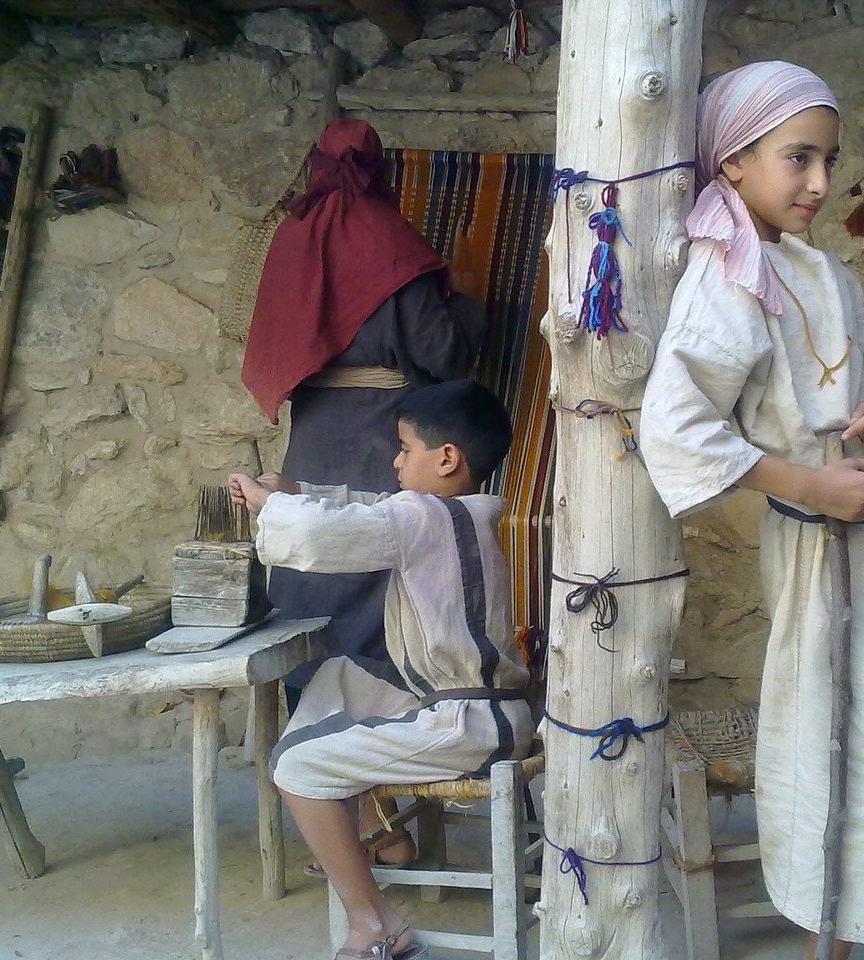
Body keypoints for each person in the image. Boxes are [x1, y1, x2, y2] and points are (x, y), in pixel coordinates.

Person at [640, 62, 864, 960]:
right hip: (825, 557)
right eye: (798, 159)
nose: (821, 183)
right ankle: (836, 935)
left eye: (830, 160)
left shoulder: (822, 273)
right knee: (846, 743)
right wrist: (808, 486)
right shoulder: (723, 283)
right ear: (733, 164)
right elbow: (676, 430)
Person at [228, 379, 531, 960]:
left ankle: (375, 925)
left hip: (468, 726)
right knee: (337, 674)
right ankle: (375, 830)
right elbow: (370, 511)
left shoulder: (424, 517)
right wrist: (294, 491)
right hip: (485, 710)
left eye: (405, 448)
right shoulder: (456, 514)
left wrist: (273, 505)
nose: (394, 461)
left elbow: (328, 531)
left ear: (446, 459)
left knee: (295, 765)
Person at [241, 118, 487, 712]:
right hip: (381, 433)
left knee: (311, 549)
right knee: (378, 560)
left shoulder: (290, 238)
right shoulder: (387, 240)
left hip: (314, 432)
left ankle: (307, 708)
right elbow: (440, 351)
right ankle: (379, 712)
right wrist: (471, 305)